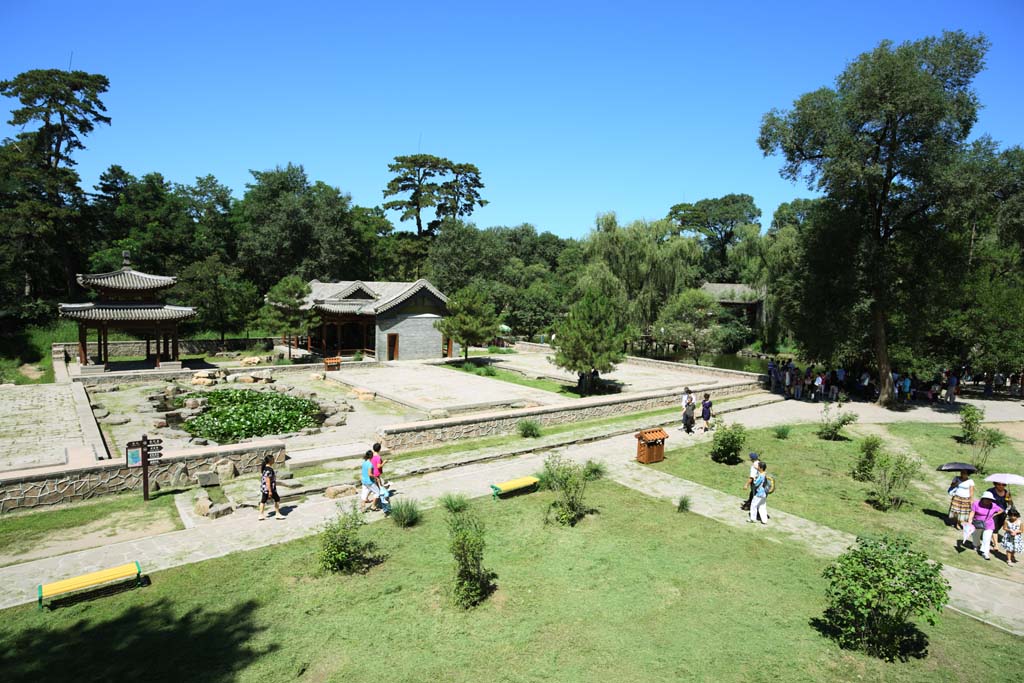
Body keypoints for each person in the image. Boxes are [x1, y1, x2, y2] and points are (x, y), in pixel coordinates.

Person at [960, 492, 1004, 560]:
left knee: (987, 538)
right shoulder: (976, 504)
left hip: (989, 524)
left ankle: (985, 553)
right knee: (976, 536)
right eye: (987, 499)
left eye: (990, 499)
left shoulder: (993, 505)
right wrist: (969, 521)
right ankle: (976, 545)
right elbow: (972, 512)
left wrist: (994, 515)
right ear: (983, 498)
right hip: (977, 523)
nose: (989, 501)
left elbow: (1001, 510)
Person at [987, 482, 1014, 553]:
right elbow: (985, 500)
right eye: (999, 484)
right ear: (995, 484)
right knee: (994, 528)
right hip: (993, 512)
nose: (1001, 486)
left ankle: (989, 534)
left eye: (1003, 485)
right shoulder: (990, 491)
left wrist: (1009, 499)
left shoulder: (1006, 492)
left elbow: (1010, 504)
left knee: (998, 527)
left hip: (1003, 513)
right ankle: (996, 545)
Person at [258, 454, 282, 521]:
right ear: (270, 461)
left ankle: (261, 514)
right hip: (269, 488)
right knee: (277, 499)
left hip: (264, 488)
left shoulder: (265, 468)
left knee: (263, 500)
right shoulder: (269, 470)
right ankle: (277, 513)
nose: (274, 460)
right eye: (273, 459)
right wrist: (270, 491)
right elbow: (268, 481)